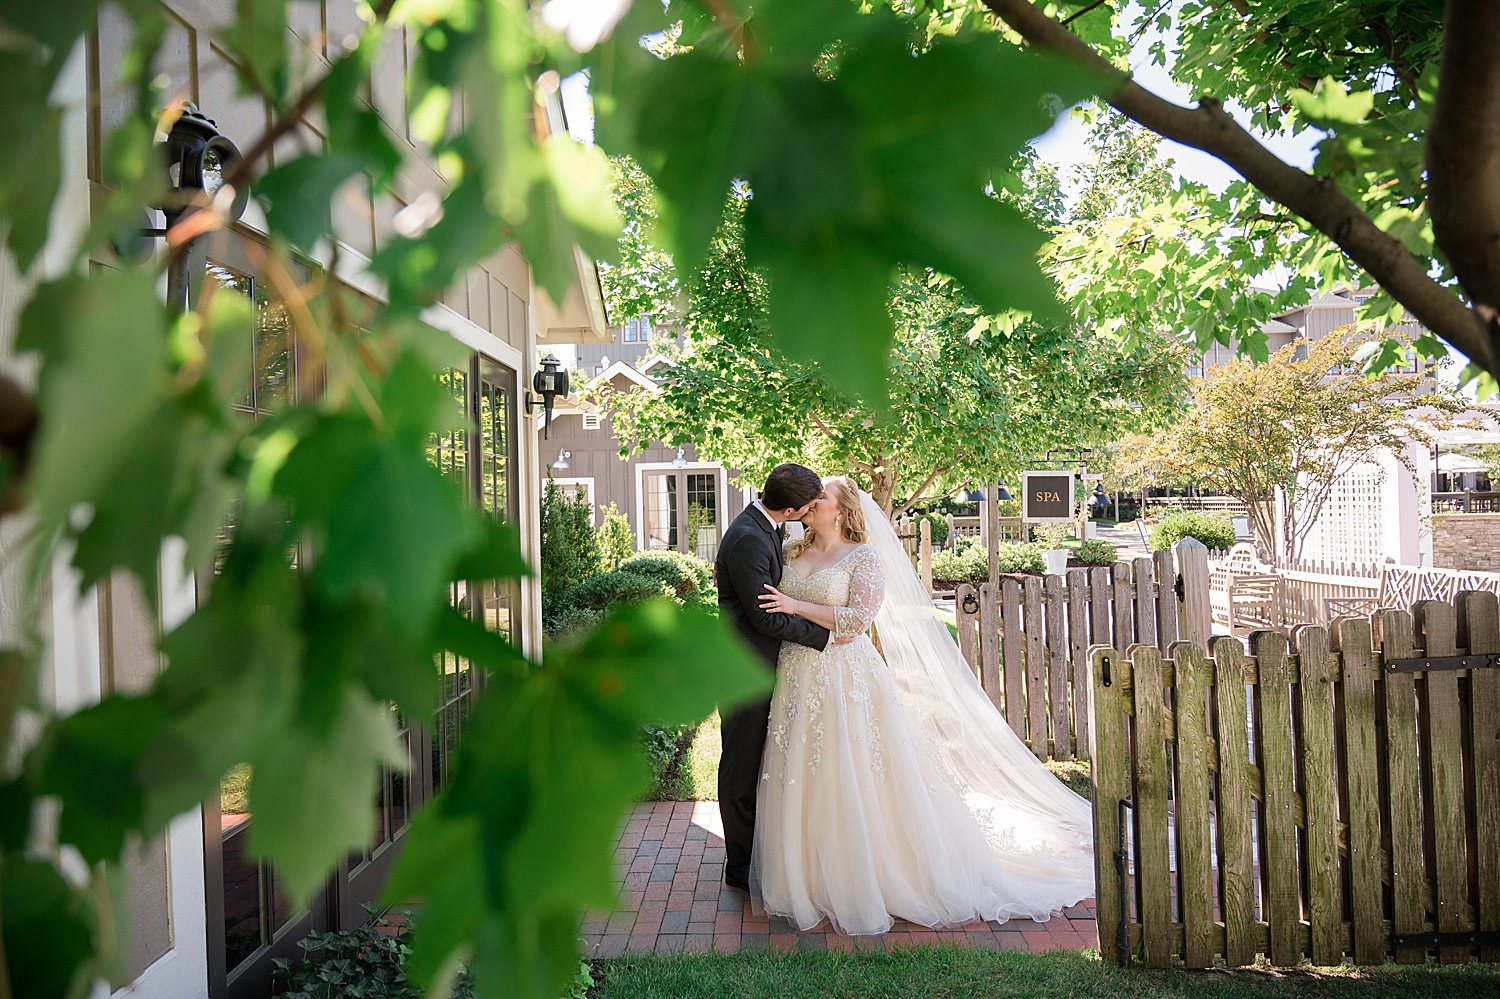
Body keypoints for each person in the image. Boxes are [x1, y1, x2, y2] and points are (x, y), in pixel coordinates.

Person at [751, 476, 1095, 935]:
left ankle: (868, 877)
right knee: (803, 768)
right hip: (797, 674)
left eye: (820, 499)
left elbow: (855, 621)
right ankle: (807, 878)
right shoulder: (791, 549)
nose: (810, 504)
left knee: (852, 770)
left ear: (841, 510)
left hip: (845, 677)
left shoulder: (864, 558)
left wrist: (795, 605)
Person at [713, 462, 835, 893]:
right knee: (740, 770)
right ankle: (741, 867)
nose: (813, 509)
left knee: (760, 763)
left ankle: (756, 855)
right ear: (791, 508)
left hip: (763, 666)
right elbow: (765, 619)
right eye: (809, 504)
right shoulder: (749, 539)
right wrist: (821, 635)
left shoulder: (766, 526)